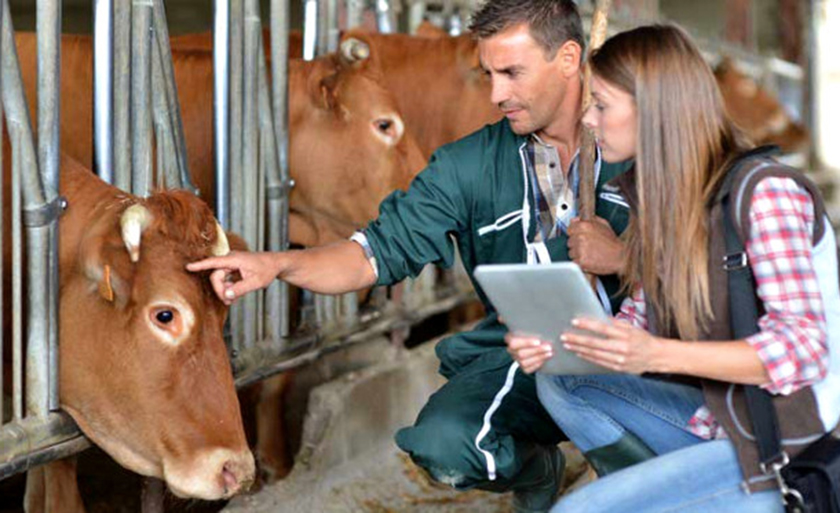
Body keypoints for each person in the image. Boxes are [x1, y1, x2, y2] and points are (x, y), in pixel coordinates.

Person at [188, 2, 633, 511]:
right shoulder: (469, 164)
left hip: (644, 351)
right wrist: (276, 266)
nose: (496, 95)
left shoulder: (639, 143)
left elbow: (715, 269)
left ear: (570, 58)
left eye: (512, 73)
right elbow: (369, 256)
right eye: (487, 75)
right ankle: (538, 469)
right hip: (527, 358)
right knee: (442, 445)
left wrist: (624, 259)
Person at [507, 24, 840, 512]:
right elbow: (636, 328)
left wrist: (655, 354)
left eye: (601, 105)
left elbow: (804, 349)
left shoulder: (765, 194)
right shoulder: (665, 205)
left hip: (785, 447)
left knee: (577, 511)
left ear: (654, 110)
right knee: (563, 380)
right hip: (718, 418)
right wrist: (558, 342)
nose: (590, 121)